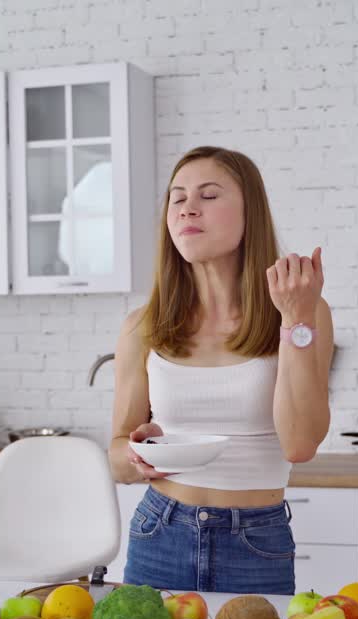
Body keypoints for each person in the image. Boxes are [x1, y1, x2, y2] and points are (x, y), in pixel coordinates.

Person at [108, 146, 333, 595]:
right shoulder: (143, 326)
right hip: (159, 531)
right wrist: (138, 456)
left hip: (254, 541)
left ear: (251, 213)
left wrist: (295, 320)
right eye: (177, 197)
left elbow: (300, 443)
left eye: (209, 196)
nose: (188, 207)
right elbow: (116, 455)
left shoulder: (301, 312)